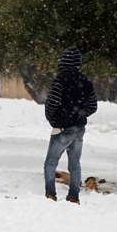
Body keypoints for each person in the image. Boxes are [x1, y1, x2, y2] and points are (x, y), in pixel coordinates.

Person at [44, 46, 97, 204]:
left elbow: (52, 103)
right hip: (79, 128)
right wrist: (80, 115)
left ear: (62, 61)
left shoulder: (60, 79)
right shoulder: (86, 80)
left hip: (62, 128)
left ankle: (50, 194)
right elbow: (93, 106)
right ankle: (74, 196)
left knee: (51, 162)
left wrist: (53, 119)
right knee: (74, 164)